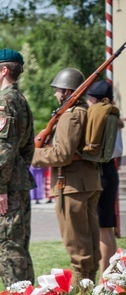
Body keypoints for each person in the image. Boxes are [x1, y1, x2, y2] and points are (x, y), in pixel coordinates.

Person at [32, 67, 101, 282]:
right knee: (88, 243)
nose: (55, 94)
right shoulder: (84, 111)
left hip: (71, 186)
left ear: (66, 91)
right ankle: (90, 292)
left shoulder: (71, 116)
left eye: (57, 90)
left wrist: (31, 155)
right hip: (85, 182)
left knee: (78, 246)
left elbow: (62, 155)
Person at [0, 48, 36, 287]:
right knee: (18, 245)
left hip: (8, 186)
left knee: (6, 247)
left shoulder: (5, 100)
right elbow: (27, 148)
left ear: (4, 70)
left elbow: (4, 149)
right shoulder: (20, 99)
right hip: (18, 180)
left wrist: (0, 187)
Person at [83, 81, 122, 277]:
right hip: (109, 170)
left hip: (103, 171)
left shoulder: (104, 117)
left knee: (102, 228)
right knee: (106, 228)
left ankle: (104, 279)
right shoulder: (112, 116)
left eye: (90, 100)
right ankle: (111, 274)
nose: (89, 104)